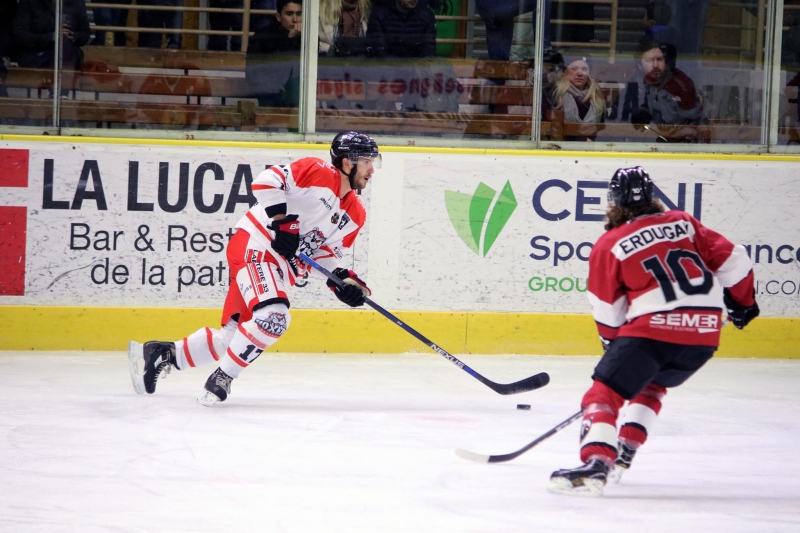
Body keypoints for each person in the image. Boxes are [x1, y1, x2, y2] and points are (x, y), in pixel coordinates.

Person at [549, 166, 759, 496]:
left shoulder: (610, 243)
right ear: (653, 197)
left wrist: (613, 346)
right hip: (704, 336)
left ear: (613, 202)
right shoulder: (684, 222)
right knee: (652, 384)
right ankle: (627, 447)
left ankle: (597, 462)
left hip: (652, 332)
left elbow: (607, 307)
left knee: (603, 394)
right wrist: (742, 304)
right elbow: (736, 261)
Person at [128, 132, 380, 406]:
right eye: (366, 161)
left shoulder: (355, 214)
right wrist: (282, 221)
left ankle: (165, 354)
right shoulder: (317, 171)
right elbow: (265, 181)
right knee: (274, 317)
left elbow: (323, 253)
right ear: (347, 162)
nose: (371, 169)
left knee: (236, 340)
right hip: (255, 246)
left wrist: (340, 281)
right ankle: (223, 378)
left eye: (373, 162)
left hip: (277, 267)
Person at [630, 41, 706, 142]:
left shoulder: (681, 85)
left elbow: (694, 125)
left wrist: (680, 136)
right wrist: (644, 112)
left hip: (683, 145)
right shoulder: (637, 81)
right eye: (649, 60)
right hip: (660, 140)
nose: (655, 65)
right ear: (639, 65)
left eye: (659, 59)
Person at [245, 0, 302, 107]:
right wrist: (289, 40)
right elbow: (255, 74)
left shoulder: (308, 37)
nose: (295, 19)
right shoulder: (263, 36)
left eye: (299, 14)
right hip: (269, 94)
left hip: (297, 97)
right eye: (289, 14)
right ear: (278, 17)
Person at [14, 0, 91, 70]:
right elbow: (21, 36)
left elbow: (85, 33)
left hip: (68, 51)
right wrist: (51, 37)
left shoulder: (77, 2)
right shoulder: (29, 2)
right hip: (36, 53)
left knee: (65, 47)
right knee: (63, 54)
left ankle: (58, 77)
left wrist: (72, 35)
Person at [548, 56, 606, 141]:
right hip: (561, 146)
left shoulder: (596, 95)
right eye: (574, 69)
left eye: (584, 69)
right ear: (566, 71)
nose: (580, 73)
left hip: (591, 146)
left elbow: (602, 127)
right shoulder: (554, 93)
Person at [474, 0, 553, 62]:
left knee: (499, 63)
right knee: (541, 1)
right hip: (494, 4)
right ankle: (544, 49)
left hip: (485, 6)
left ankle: (496, 75)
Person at [367, 0, 436, 58]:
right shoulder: (379, 16)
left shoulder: (427, 17)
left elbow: (427, 51)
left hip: (416, 67)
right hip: (385, 67)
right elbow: (380, 52)